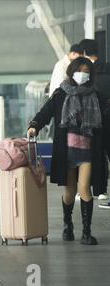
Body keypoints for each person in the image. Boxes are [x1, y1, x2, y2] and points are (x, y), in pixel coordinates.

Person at [28, 57, 110, 245]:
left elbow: (107, 126)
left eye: (87, 71)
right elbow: (45, 113)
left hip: (89, 152)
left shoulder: (98, 97)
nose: (83, 74)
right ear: (72, 72)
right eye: (80, 70)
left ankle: (87, 232)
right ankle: (68, 225)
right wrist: (34, 126)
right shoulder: (60, 94)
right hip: (67, 152)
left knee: (84, 189)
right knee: (69, 192)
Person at [79, 39, 110, 201]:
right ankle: (101, 191)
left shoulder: (89, 74)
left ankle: (97, 189)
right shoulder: (107, 68)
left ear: (84, 53)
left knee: (96, 154)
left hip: (96, 121)